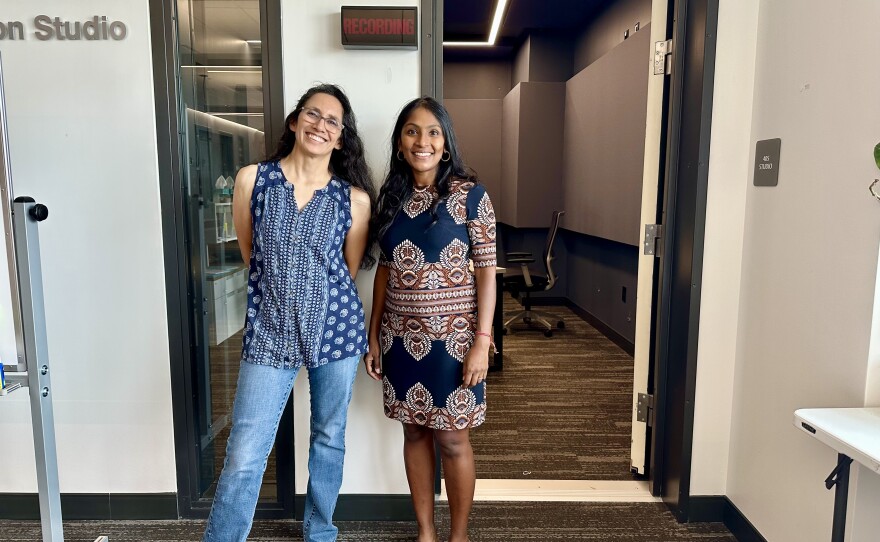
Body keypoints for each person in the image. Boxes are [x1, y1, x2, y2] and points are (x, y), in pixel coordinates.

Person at [202, 83, 375, 542]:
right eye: (313, 115)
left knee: (328, 436)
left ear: (341, 138)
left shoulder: (353, 199)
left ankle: (320, 533)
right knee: (244, 452)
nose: (320, 125)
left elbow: (347, 269)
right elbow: (250, 255)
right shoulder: (252, 180)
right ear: (295, 121)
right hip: (269, 331)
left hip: (334, 330)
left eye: (332, 121)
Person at [364, 97, 497, 542]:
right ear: (400, 144)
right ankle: (426, 532)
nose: (423, 141)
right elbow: (385, 268)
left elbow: (486, 271)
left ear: (446, 142)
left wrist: (483, 339)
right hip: (401, 340)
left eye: (433, 132)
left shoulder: (471, 196)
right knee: (415, 433)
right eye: (412, 131)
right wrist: (374, 333)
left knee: (453, 440)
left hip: (456, 343)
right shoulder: (390, 199)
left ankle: (457, 536)